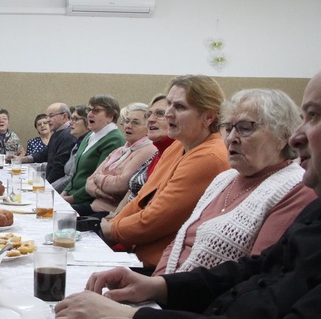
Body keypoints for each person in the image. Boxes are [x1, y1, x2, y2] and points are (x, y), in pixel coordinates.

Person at [51, 57, 321, 319]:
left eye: (315, 116)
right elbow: (254, 270)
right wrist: (160, 286)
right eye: (230, 127)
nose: (298, 136)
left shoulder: (292, 189)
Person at [153, 88, 315, 275]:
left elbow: (256, 273)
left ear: (283, 136)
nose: (231, 138)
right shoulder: (224, 179)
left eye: (245, 128)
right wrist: (155, 284)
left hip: (209, 301)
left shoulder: (295, 187)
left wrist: (162, 291)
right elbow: (178, 243)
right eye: (228, 128)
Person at [99, 75, 230, 269]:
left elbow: (154, 220)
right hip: (139, 255)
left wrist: (110, 230)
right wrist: (113, 225)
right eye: (169, 104)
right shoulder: (178, 145)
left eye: (179, 107)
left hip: (164, 269)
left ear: (208, 117)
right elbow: (142, 199)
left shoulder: (209, 157)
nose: (168, 113)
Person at [79, 102, 157, 216]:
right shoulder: (121, 150)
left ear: (148, 127)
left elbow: (121, 185)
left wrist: (98, 178)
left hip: (110, 213)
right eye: (126, 121)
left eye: (135, 122)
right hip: (94, 206)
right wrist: (100, 191)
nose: (128, 126)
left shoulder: (148, 150)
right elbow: (89, 182)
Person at [60, 95, 125, 205]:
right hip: (72, 196)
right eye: (89, 110)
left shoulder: (114, 140)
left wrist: (71, 199)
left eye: (96, 110)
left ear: (110, 116)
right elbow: (76, 174)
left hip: (89, 201)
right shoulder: (89, 135)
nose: (89, 114)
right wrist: (64, 193)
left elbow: (97, 180)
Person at [21, 103, 76, 184]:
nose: (47, 120)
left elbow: (59, 169)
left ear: (64, 116)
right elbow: (44, 154)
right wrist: (23, 159)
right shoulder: (57, 133)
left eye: (51, 116)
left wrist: (45, 185)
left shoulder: (68, 135)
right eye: (47, 116)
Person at [52, 106, 90, 192]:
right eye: (71, 119)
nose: (70, 123)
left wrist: (49, 190)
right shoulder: (77, 143)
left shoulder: (87, 144)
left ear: (88, 122)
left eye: (75, 119)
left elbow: (70, 178)